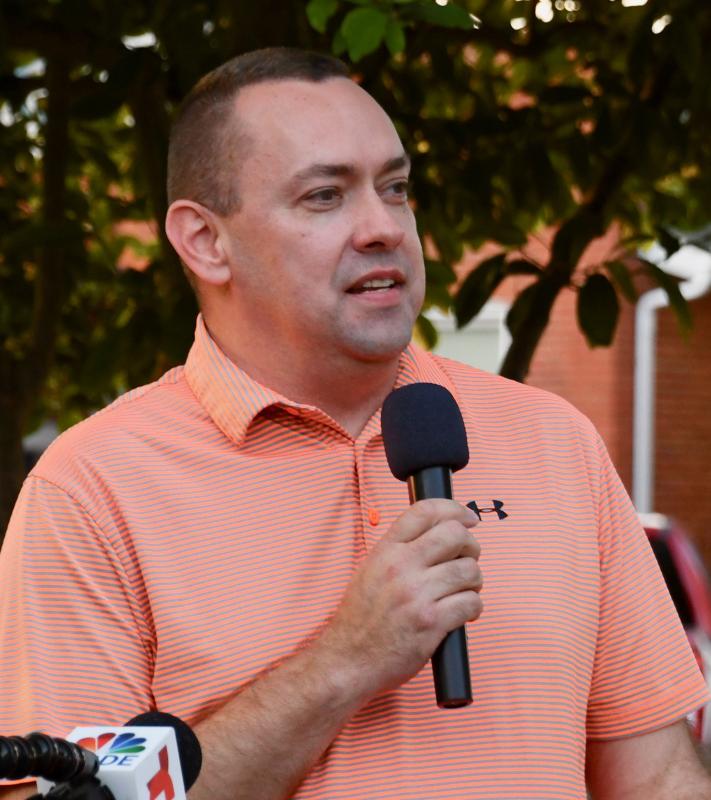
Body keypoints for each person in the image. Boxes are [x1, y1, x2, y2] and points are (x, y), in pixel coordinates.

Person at [1, 47, 710, 800]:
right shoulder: (93, 491)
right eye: (324, 196)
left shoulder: (553, 441)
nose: (383, 228)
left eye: (395, 188)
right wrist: (347, 659)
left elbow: (659, 776)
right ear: (205, 242)